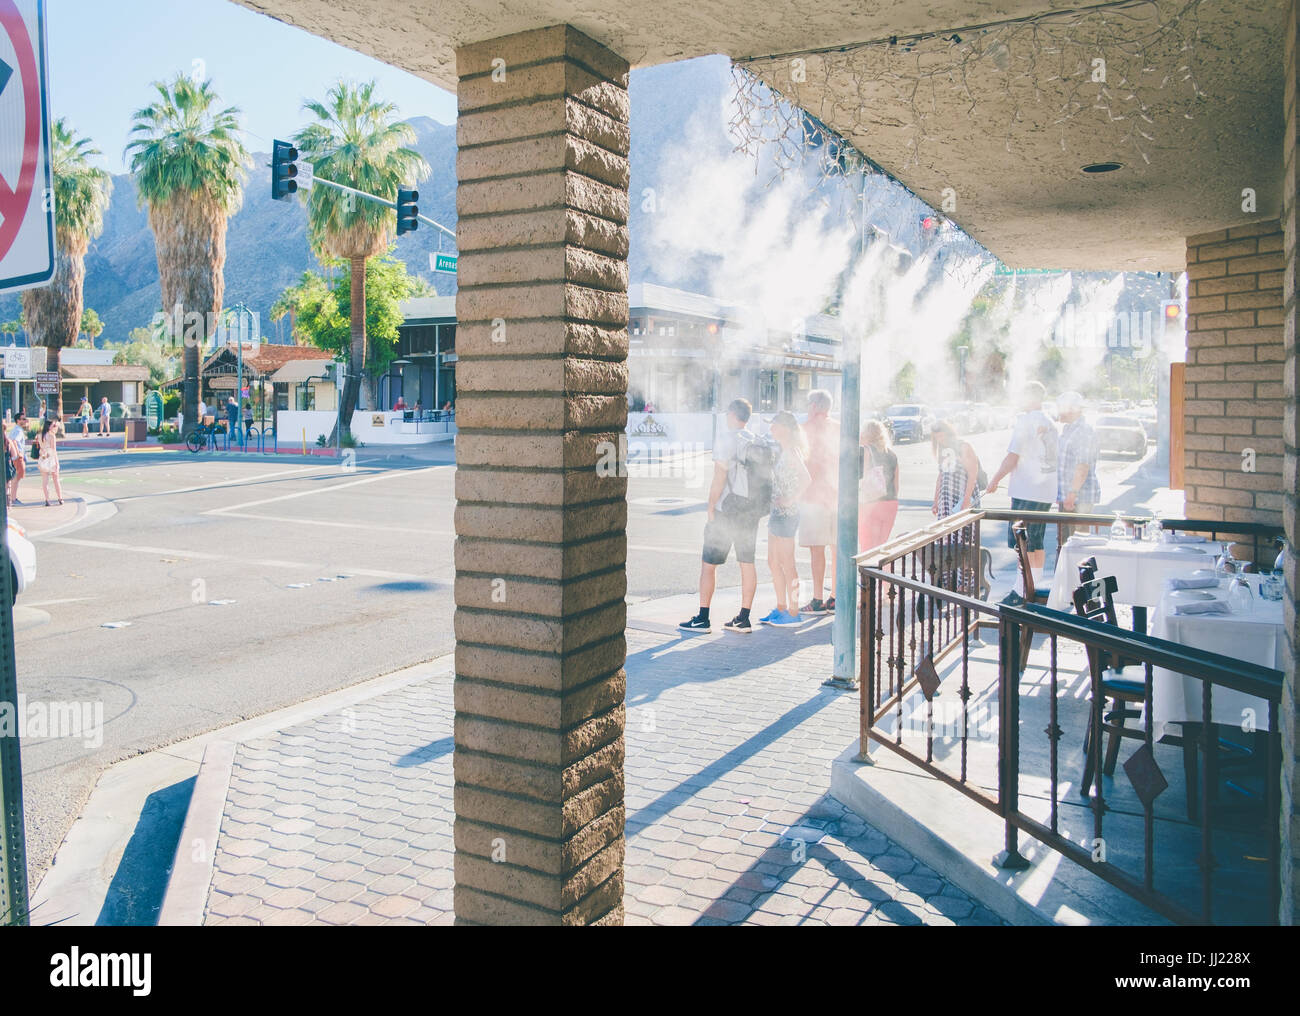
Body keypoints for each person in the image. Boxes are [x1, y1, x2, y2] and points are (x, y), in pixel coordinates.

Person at [679, 398, 765, 634]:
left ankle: (703, 618)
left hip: (727, 510)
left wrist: (710, 507)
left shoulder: (727, 438)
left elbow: (720, 475)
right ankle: (744, 617)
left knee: (709, 565)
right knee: (747, 562)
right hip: (750, 510)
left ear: (731, 415)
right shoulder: (755, 439)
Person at [985, 380, 1058, 570]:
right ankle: (1034, 583)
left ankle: (1024, 588)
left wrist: (994, 481)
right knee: (1036, 541)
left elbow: (1012, 457)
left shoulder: (1026, 421)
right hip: (1045, 489)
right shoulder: (1048, 420)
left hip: (1028, 490)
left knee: (1022, 542)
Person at [760, 411, 811, 626]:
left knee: (787, 563)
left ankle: (793, 611)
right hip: (778, 513)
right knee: (773, 562)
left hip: (786, 515)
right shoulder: (784, 450)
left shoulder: (791, 451)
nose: (771, 428)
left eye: (774, 425)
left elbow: (807, 479)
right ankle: (781, 607)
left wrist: (790, 500)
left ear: (785, 429)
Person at [798, 388, 839, 615]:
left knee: (817, 550)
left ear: (814, 406)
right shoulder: (840, 428)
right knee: (837, 549)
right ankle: (836, 596)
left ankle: (816, 599)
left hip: (814, 496)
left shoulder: (805, 429)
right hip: (838, 497)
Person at [1055, 390, 1100, 541]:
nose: (1058, 411)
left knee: (1077, 543)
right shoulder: (1068, 429)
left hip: (1079, 498)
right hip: (1069, 496)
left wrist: (1072, 494)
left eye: (1061, 407)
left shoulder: (1083, 431)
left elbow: (1082, 466)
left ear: (1072, 409)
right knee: (1065, 542)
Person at [859, 419, 900, 552]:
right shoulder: (892, 454)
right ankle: (882, 572)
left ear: (866, 434)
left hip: (871, 504)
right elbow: (896, 485)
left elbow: (863, 478)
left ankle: (867, 573)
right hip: (890, 504)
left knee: (868, 548)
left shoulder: (865, 451)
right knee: (881, 548)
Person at [931, 420, 981, 519]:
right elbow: (941, 476)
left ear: (948, 433)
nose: (940, 440)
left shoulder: (963, 446)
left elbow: (973, 474)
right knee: (946, 532)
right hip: (946, 500)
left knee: (964, 531)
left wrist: (966, 500)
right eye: (936, 438)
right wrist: (936, 501)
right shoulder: (943, 450)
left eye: (941, 436)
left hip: (963, 497)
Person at [37, 417, 63, 506]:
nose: (54, 426)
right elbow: (53, 450)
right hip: (51, 458)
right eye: (53, 425)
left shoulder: (39, 435)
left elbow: (40, 447)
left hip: (43, 457)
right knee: (56, 479)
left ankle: (47, 500)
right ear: (49, 426)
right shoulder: (52, 436)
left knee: (45, 481)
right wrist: (57, 462)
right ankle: (60, 498)